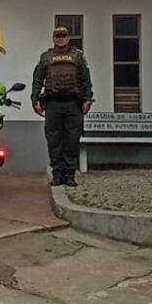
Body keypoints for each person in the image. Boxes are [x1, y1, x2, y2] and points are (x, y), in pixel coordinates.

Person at [31, 26, 93, 187]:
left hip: (73, 104)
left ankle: (70, 175)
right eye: (57, 36)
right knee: (54, 141)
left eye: (63, 36)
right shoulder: (46, 57)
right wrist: (34, 100)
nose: (60, 39)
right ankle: (57, 175)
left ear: (68, 38)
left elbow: (86, 80)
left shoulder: (78, 57)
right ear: (53, 38)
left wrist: (88, 100)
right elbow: (37, 80)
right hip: (52, 104)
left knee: (72, 141)